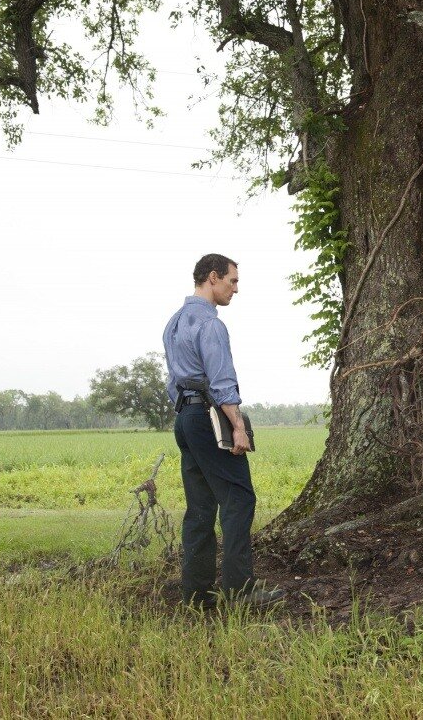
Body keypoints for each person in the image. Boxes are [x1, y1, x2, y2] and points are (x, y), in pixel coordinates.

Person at [163, 253, 282, 609]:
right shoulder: (211, 325)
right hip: (209, 417)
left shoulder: (173, 323)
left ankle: (196, 595)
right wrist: (238, 427)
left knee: (199, 508)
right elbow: (222, 382)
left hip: (185, 418)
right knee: (239, 500)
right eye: (233, 281)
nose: (236, 289)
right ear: (212, 277)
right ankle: (240, 594)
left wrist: (189, 414)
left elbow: (173, 380)